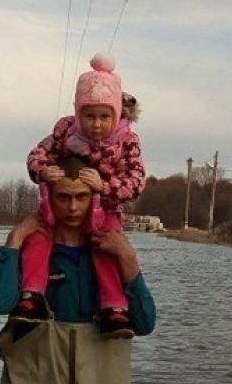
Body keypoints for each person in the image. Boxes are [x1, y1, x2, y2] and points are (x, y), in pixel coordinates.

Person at [0, 157, 156, 384]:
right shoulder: (30, 250)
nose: (73, 207)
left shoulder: (110, 252)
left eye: (82, 197)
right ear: (49, 198)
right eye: (63, 197)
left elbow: (144, 323)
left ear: (96, 198)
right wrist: (15, 239)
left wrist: (127, 257)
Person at [9, 52, 146, 339]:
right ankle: (31, 296)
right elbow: (38, 154)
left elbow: (136, 181)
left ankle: (114, 308)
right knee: (38, 238)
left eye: (104, 116)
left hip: (105, 209)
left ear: (117, 114)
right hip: (57, 208)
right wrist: (44, 171)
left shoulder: (126, 141)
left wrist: (104, 187)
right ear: (78, 113)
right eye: (89, 115)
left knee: (107, 248)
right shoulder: (65, 131)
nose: (97, 124)